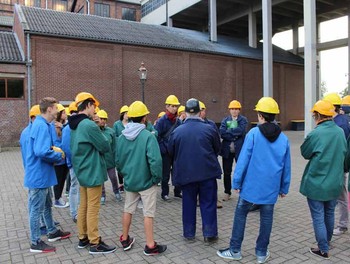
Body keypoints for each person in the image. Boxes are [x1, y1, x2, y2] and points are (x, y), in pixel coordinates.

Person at [217, 97, 291, 264]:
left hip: (251, 186)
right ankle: (261, 253)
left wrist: (236, 183)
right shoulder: (284, 139)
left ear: (260, 115)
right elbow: (287, 166)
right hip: (271, 187)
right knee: (266, 218)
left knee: (241, 213)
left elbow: (243, 160)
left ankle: (235, 250)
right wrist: (284, 187)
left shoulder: (253, 134)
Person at [116, 101, 167, 256]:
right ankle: (151, 245)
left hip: (130, 181)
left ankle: (125, 238)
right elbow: (155, 161)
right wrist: (156, 178)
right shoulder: (147, 136)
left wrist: (125, 175)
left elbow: (118, 161)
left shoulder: (122, 137)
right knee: (148, 213)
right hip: (147, 182)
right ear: (144, 118)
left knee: (128, 209)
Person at [168, 98, 222, 243]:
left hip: (186, 174)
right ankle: (210, 233)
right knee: (208, 202)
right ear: (200, 112)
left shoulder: (177, 131)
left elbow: (171, 151)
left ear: (185, 113)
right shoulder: (210, 129)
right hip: (207, 173)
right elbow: (217, 148)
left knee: (188, 203)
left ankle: (189, 233)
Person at [69, 92, 116, 254]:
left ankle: (83, 238)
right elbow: (104, 145)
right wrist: (99, 128)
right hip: (92, 170)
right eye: (94, 106)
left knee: (84, 205)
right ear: (88, 105)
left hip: (81, 169)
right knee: (93, 208)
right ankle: (95, 242)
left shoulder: (74, 124)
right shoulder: (88, 125)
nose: (95, 110)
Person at [299, 99, 346, 259]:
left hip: (317, 184)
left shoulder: (316, 133)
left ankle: (323, 249)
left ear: (318, 116)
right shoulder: (340, 132)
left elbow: (305, 153)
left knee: (318, 216)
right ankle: (327, 241)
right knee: (330, 213)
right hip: (335, 183)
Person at [24, 97, 71, 253]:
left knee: (46, 205)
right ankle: (35, 242)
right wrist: (58, 156)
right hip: (39, 176)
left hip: (41, 174)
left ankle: (52, 231)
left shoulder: (40, 124)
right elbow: (41, 151)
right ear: (49, 109)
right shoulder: (41, 126)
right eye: (56, 108)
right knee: (36, 208)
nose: (57, 111)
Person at [323, 93, 350, 236]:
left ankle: (343, 225)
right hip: (337, 165)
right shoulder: (339, 121)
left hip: (339, 166)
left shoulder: (341, 123)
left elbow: (343, 148)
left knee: (341, 196)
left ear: (333, 107)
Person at [155, 95, 182, 201]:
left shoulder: (178, 121)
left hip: (175, 151)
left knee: (177, 172)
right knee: (165, 174)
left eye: (176, 106)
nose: (175, 108)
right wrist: (164, 149)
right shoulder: (162, 121)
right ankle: (164, 193)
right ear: (167, 107)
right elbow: (157, 136)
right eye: (172, 106)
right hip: (166, 152)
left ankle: (177, 192)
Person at [219, 100, 248, 201]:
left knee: (241, 171)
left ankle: (243, 192)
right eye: (232, 109)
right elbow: (222, 133)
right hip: (227, 151)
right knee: (227, 172)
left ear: (239, 110)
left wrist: (229, 131)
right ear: (229, 110)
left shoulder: (243, 120)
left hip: (240, 151)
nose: (234, 111)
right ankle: (227, 192)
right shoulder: (224, 120)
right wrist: (234, 133)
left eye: (236, 109)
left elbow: (241, 131)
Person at [199, 101, 223, 209]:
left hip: (209, 156)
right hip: (198, 158)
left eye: (203, 110)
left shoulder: (211, 124)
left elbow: (217, 140)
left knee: (212, 179)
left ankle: (215, 198)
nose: (201, 112)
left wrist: (214, 153)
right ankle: (200, 198)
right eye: (199, 110)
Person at [96, 109, 122, 204]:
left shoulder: (110, 131)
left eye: (104, 119)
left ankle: (116, 191)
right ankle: (102, 195)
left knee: (113, 177)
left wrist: (116, 158)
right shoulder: (95, 131)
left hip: (110, 160)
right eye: (101, 118)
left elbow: (114, 147)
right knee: (101, 179)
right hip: (99, 160)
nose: (102, 120)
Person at [61, 101, 79, 223]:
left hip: (76, 163)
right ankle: (75, 213)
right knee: (75, 188)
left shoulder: (71, 127)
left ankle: (77, 212)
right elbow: (66, 147)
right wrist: (75, 162)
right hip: (75, 164)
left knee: (76, 188)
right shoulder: (69, 129)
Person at [52, 103, 69, 208]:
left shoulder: (64, 126)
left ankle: (59, 197)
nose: (65, 114)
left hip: (65, 158)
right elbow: (55, 142)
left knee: (63, 178)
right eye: (63, 112)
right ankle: (57, 199)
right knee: (58, 179)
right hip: (59, 158)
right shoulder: (54, 127)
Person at [113, 105, 129, 193]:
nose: (127, 115)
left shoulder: (131, 123)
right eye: (126, 113)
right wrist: (121, 139)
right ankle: (121, 184)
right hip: (120, 148)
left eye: (128, 113)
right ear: (122, 114)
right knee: (120, 165)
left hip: (129, 147)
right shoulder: (117, 124)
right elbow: (114, 136)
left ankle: (128, 182)